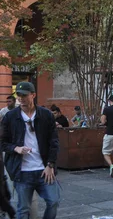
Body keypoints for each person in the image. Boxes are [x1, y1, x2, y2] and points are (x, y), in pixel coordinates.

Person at [2, 81, 59, 219]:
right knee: (23, 209)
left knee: (53, 201)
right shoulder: (10, 117)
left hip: (44, 170)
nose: (20, 98)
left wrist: (50, 164)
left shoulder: (45, 115)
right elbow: (2, 142)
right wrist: (16, 148)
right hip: (21, 172)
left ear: (33, 95)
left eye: (24, 95)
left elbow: (54, 142)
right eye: (18, 95)